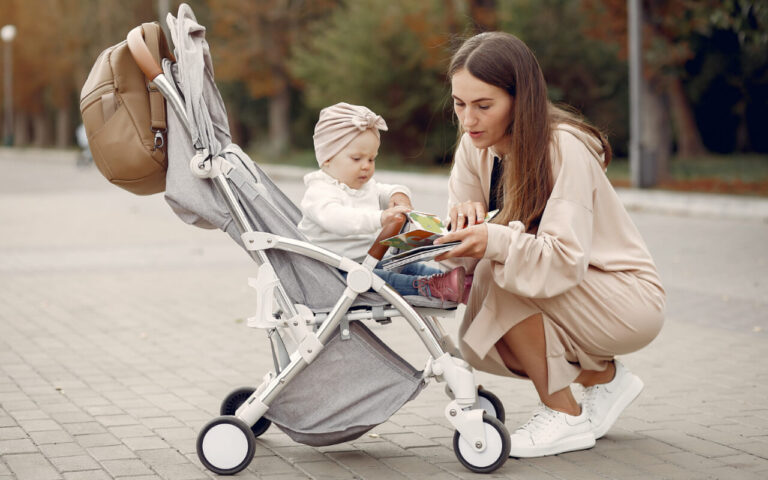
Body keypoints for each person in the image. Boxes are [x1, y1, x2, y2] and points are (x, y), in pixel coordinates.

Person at [433, 32, 665, 458]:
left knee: (498, 271)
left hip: (625, 297)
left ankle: (564, 415)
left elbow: (563, 259)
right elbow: (469, 245)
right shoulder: (474, 147)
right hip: (570, 291)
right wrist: (439, 244)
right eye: (459, 104)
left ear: (521, 100)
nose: (468, 120)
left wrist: (492, 240)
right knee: (485, 312)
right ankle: (603, 380)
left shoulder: (563, 148)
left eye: (484, 106)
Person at [298, 102, 466, 304]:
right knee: (382, 279)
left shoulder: (363, 185)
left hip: (364, 261)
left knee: (405, 264)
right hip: (331, 271)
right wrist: (379, 218)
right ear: (327, 158)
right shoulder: (320, 192)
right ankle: (428, 287)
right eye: (357, 158)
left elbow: (385, 190)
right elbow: (338, 219)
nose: (366, 166)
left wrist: (398, 194)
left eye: (372, 159)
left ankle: (454, 283)